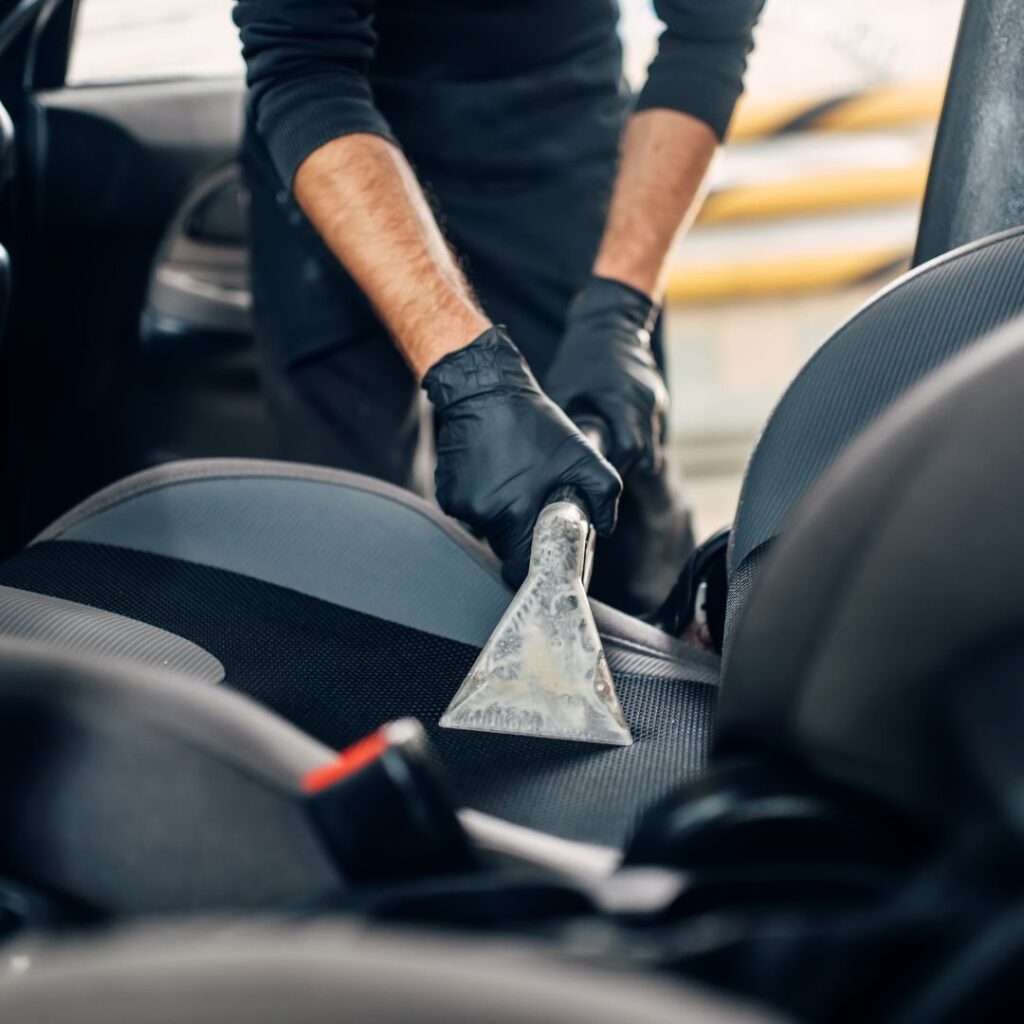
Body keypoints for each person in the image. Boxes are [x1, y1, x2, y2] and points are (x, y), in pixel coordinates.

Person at [233, 0, 764, 615]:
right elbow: (304, 67)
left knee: (615, 515)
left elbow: (709, 37)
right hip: (333, 146)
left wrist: (620, 307)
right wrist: (473, 377)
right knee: (351, 563)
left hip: (554, 139)